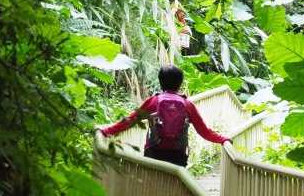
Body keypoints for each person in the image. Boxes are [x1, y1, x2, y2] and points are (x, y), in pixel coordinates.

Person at [97, 65, 230, 166]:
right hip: (178, 155)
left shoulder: (154, 101)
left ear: (160, 82)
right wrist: (222, 139)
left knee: (152, 189)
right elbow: (204, 131)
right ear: (180, 83)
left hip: (154, 153)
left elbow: (130, 120)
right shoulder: (187, 104)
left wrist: (106, 131)